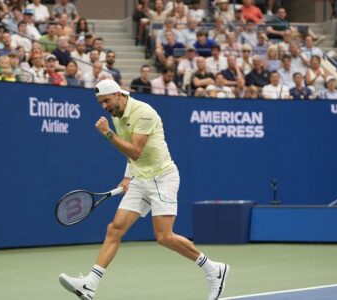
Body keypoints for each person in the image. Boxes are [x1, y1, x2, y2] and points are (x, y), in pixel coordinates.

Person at [58, 79, 230, 300]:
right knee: (115, 229)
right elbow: (131, 154)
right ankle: (90, 285)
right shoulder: (117, 114)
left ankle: (214, 270)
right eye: (101, 103)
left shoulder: (144, 112)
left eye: (107, 101)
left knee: (164, 236)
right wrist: (127, 177)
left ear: (119, 95)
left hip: (162, 178)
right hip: (140, 178)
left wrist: (107, 133)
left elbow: (136, 151)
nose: (104, 107)